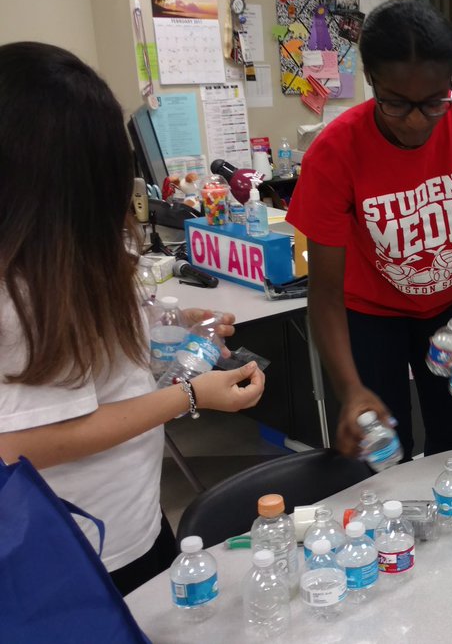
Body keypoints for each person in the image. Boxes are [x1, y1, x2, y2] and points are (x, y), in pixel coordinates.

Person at [0, 42, 266, 595]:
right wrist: (191, 397)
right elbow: (22, 441)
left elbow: (83, 366)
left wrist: (164, 328)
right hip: (80, 550)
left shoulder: (61, 255)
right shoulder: (17, 291)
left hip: (133, 523)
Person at [286, 0, 452, 460]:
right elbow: (324, 293)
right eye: (397, 103)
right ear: (372, 82)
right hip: (368, 316)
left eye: (435, 101)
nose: (418, 120)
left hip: (451, 309)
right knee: (383, 450)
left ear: (451, 83)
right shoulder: (336, 153)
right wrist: (350, 387)